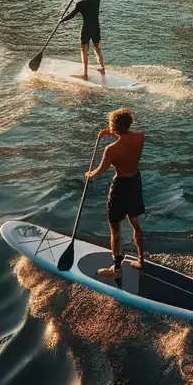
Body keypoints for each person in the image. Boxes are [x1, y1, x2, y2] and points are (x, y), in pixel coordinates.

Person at [86, 108, 147, 278]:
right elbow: (128, 135)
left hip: (120, 186)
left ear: (114, 126)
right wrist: (113, 133)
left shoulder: (111, 150)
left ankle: (117, 270)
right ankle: (141, 260)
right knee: (135, 222)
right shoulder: (140, 137)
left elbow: (100, 171)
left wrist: (88, 174)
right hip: (135, 182)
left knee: (115, 230)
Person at [60, 0, 106, 82]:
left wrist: (62, 20)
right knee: (97, 47)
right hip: (96, 27)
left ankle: (85, 74)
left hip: (86, 28)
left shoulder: (80, 4)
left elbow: (72, 15)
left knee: (84, 49)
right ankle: (102, 69)